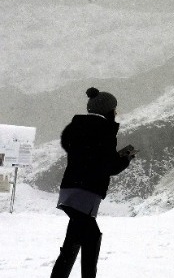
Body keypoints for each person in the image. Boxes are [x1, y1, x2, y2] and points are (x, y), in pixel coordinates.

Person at [50, 87, 137, 278]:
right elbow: (110, 166)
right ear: (108, 110)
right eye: (114, 109)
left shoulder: (77, 128)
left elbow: (88, 157)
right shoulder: (105, 130)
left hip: (69, 190)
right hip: (86, 193)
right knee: (91, 237)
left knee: (73, 241)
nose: (116, 113)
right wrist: (126, 159)